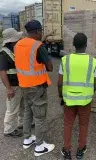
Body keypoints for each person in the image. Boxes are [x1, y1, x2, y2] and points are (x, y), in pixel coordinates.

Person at [14, 20, 55, 157]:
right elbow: (50, 67)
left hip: (24, 86)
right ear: (37, 31)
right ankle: (40, 146)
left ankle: (27, 139)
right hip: (37, 87)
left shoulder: (18, 44)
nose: (41, 33)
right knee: (39, 117)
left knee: (27, 113)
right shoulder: (38, 46)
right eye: (41, 31)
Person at [58, 33, 96, 160]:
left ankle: (67, 151)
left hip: (69, 100)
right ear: (86, 45)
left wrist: (61, 96)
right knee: (83, 125)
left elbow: (60, 83)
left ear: (74, 45)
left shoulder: (65, 60)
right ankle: (80, 150)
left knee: (68, 124)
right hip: (85, 101)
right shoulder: (93, 62)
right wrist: (89, 94)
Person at [0, 28, 24, 137]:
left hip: (19, 84)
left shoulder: (12, 50)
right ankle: (8, 130)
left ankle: (22, 123)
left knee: (22, 106)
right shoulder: (3, 54)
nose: (18, 39)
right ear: (11, 40)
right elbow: (3, 73)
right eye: (16, 38)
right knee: (12, 109)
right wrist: (9, 88)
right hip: (13, 86)